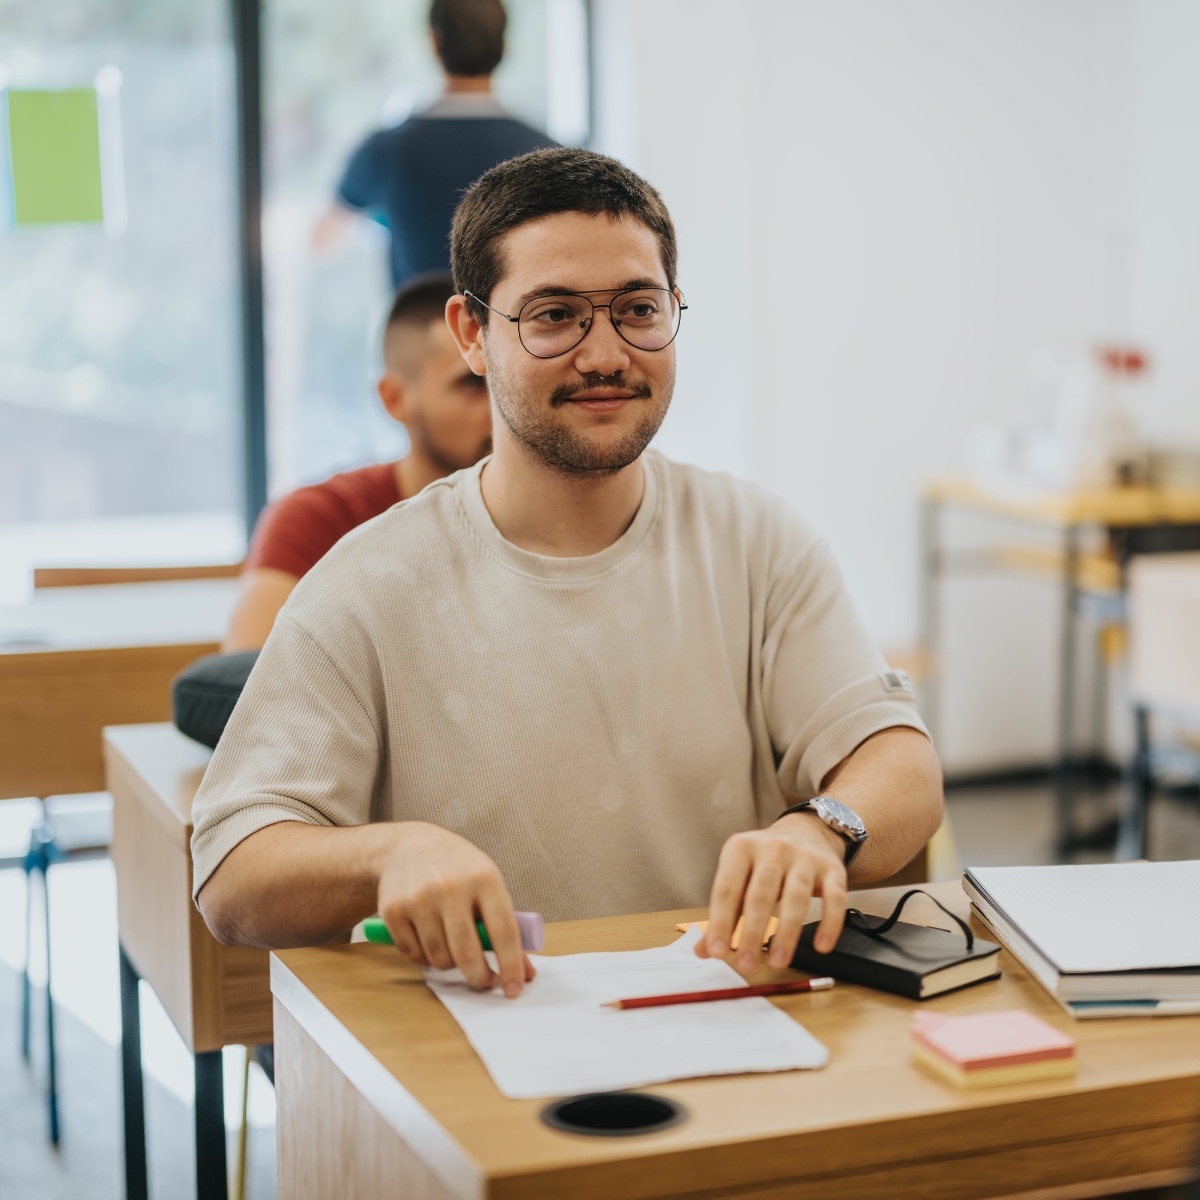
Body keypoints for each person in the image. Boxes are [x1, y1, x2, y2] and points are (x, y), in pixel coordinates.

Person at [193, 147, 944, 1001]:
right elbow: (231, 875)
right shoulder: (371, 580)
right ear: (473, 334)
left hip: (728, 1016)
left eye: (637, 309)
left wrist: (819, 831)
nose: (605, 355)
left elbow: (901, 764)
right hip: (481, 1048)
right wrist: (386, 854)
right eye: (554, 315)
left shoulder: (756, 538)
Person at [224, 272, 490, 651]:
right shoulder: (318, 520)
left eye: (503, 382)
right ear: (394, 399)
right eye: (471, 384)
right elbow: (244, 688)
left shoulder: (564, 514)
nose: (500, 406)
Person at [316, 0, 556, 290]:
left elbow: (323, 239)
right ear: (503, 46)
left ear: (434, 42)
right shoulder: (547, 155)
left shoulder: (388, 149)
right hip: (508, 332)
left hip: (419, 331)